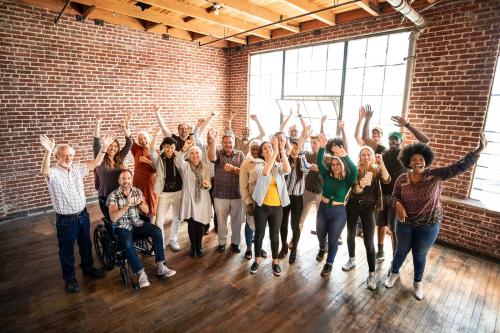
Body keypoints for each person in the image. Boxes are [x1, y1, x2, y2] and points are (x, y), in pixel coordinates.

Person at [384, 133, 486, 300]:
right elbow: (394, 196)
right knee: (401, 250)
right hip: (405, 222)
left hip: (429, 224)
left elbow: (459, 167)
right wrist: (398, 205)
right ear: (408, 162)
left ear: (426, 161)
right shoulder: (402, 178)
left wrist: (478, 151)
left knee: (419, 254)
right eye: (414, 159)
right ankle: (393, 274)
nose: (417, 162)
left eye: (421, 159)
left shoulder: (435, 175)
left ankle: (417, 283)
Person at [40, 134, 115, 293]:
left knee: (86, 245)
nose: (68, 158)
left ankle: (88, 268)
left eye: (71, 155)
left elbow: (96, 163)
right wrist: (47, 152)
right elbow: (44, 170)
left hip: (83, 215)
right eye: (64, 155)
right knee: (66, 251)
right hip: (66, 220)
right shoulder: (53, 172)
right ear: (57, 157)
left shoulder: (76, 168)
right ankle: (70, 279)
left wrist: (103, 148)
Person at [362, 110, 430, 260]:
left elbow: (425, 140)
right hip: (382, 194)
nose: (393, 140)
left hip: (398, 198)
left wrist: (407, 125)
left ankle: (395, 258)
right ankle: (380, 250)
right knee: (380, 224)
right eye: (391, 138)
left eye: (396, 139)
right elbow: (365, 138)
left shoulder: (406, 153)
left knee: (393, 229)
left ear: (401, 141)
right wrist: (367, 119)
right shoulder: (382, 151)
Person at [107, 170, 176, 289]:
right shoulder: (113, 195)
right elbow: (113, 218)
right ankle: (140, 273)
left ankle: (161, 266)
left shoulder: (137, 192)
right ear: (119, 180)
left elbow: (147, 211)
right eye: (123, 178)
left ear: (131, 179)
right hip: (122, 227)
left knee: (157, 231)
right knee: (127, 243)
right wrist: (127, 205)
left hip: (137, 223)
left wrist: (140, 204)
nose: (126, 181)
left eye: (128, 178)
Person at [342, 145, 390, 290]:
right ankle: (351, 259)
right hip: (353, 205)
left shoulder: (377, 170)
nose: (366, 157)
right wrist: (360, 186)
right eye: (363, 155)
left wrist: (381, 162)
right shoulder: (355, 170)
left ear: (373, 156)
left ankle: (371, 273)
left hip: (369, 208)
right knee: (350, 233)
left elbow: (387, 180)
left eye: (368, 154)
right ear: (360, 157)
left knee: (369, 241)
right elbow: (355, 190)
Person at [315, 133, 358, 277]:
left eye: (338, 164)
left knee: (333, 238)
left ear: (342, 164)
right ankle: (322, 248)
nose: (335, 166)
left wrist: (345, 156)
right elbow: (319, 161)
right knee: (321, 234)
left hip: (339, 212)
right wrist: (321, 147)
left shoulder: (348, 179)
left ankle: (329, 263)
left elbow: (355, 170)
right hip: (323, 208)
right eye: (332, 164)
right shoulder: (326, 174)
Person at [250, 137, 291, 276]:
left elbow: (287, 169)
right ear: (262, 153)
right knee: (259, 235)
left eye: (270, 147)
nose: (268, 149)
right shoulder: (259, 165)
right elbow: (266, 173)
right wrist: (275, 152)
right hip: (262, 207)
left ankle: (275, 262)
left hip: (277, 208)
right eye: (266, 148)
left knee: (274, 236)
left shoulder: (278, 166)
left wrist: (282, 150)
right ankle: (256, 260)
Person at [207, 129, 245, 253]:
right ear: (222, 144)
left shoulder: (240, 155)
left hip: (237, 195)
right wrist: (213, 141)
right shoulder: (218, 153)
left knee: (236, 222)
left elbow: (245, 173)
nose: (228, 145)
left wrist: (234, 169)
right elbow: (210, 156)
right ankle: (222, 242)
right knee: (221, 221)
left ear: (234, 143)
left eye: (230, 142)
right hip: (220, 195)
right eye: (225, 142)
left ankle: (235, 243)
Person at [93, 113, 132, 221]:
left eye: (115, 146)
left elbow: (129, 143)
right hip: (105, 197)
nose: (112, 148)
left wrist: (125, 127)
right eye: (110, 145)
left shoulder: (120, 158)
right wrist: (98, 124)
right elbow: (96, 142)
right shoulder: (99, 159)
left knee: (122, 219)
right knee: (111, 220)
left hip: (120, 195)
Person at [176, 139, 212, 257]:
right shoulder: (185, 166)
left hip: (202, 199)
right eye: (192, 153)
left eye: (197, 153)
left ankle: (199, 246)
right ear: (189, 155)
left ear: (200, 155)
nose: (195, 155)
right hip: (190, 198)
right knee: (192, 223)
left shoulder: (206, 167)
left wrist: (207, 185)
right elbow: (177, 160)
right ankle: (193, 246)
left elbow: (209, 184)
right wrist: (184, 148)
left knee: (200, 223)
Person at [279, 133, 311, 264]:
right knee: (283, 223)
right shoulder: (284, 160)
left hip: (297, 199)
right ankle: (284, 247)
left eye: (296, 148)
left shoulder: (304, 163)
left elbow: (305, 168)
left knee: (294, 225)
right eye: (291, 147)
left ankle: (294, 250)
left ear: (300, 149)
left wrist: (300, 153)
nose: (294, 150)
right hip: (285, 197)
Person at [149, 133, 183, 251]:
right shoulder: (159, 159)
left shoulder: (179, 157)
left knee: (176, 217)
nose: (170, 150)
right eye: (167, 147)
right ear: (163, 146)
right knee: (159, 221)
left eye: (172, 147)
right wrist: (155, 136)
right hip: (164, 194)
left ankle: (173, 240)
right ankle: (161, 242)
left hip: (178, 192)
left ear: (175, 148)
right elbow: (151, 151)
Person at [239, 139, 268, 260]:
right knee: (250, 225)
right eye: (253, 149)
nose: (255, 151)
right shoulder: (246, 164)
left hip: (265, 200)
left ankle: (259, 247)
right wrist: (248, 203)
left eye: (257, 149)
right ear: (250, 150)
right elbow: (243, 186)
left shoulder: (267, 161)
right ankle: (249, 248)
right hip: (252, 200)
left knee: (261, 225)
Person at [131, 121, 157, 222]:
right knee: (139, 202)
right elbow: (129, 138)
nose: (143, 141)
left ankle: (152, 227)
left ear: (149, 139)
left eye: (145, 138)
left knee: (151, 202)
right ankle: (141, 223)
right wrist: (126, 123)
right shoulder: (136, 150)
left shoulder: (155, 151)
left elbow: (156, 168)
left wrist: (146, 160)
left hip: (149, 184)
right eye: (140, 139)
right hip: (137, 183)